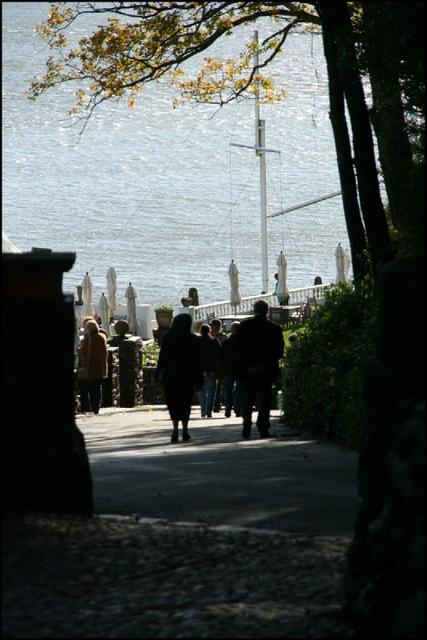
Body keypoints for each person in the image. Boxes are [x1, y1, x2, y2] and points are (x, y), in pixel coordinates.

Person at [237, 299, 284, 439]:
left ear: (254, 310)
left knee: (247, 398)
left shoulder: (244, 326)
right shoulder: (275, 329)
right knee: (264, 399)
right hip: (267, 369)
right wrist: (265, 364)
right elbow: (279, 350)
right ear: (267, 310)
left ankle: (246, 421)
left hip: (248, 370)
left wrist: (248, 366)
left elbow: (239, 349)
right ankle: (262, 426)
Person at [156, 313, 203, 443]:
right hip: (188, 378)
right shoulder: (194, 339)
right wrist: (200, 379)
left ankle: (175, 429)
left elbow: (162, 358)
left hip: (171, 377)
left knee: (173, 403)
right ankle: (185, 430)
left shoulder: (168, 337)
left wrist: (158, 374)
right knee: (185, 404)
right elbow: (198, 362)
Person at [77, 319, 108, 414]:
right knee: (97, 388)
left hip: (90, 367)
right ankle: (96, 407)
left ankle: (88, 407)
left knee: (89, 388)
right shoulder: (102, 337)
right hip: (100, 366)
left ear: (88, 328)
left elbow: (82, 351)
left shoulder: (89, 338)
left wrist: (77, 348)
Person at [198, 323, 220, 418]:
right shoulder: (214, 341)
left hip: (200, 371)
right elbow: (219, 356)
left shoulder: (197, 342)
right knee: (211, 391)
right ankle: (208, 410)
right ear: (209, 331)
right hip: (212, 371)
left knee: (202, 391)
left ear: (201, 331)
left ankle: (203, 411)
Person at [222, 321, 243, 418]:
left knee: (227, 389)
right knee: (239, 389)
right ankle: (237, 409)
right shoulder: (244, 343)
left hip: (228, 369)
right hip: (240, 369)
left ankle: (228, 406)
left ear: (232, 330)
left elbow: (222, 356)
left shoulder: (226, 342)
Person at [210, 318, 227, 412]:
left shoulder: (223, 337)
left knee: (219, 386)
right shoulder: (208, 336)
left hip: (219, 365)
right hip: (210, 365)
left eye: (213, 326)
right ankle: (210, 404)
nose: (212, 328)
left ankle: (217, 405)